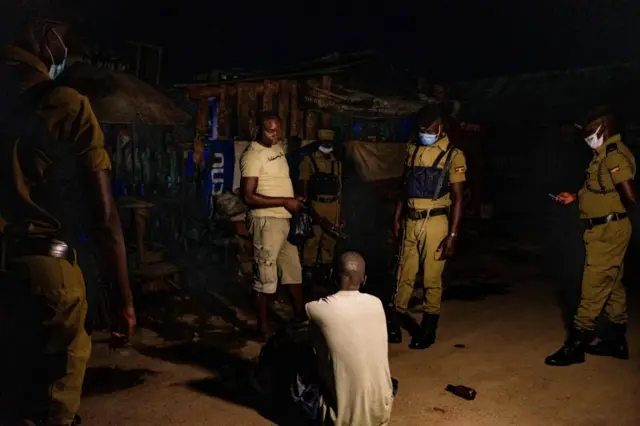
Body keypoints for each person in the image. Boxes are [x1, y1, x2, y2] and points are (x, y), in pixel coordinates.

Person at [0, 12, 135, 426]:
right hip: (44, 276)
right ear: (42, 32)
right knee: (49, 409)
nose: (69, 51)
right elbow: (104, 215)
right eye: (66, 38)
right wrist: (122, 298)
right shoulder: (66, 103)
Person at [545, 106, 636, 366]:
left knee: (592, 287)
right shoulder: (601, 155)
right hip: (605, 228)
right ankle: (616, 341)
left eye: (590, 128)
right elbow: (602, 188)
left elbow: (630, 196)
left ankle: (576, 346)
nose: (586, 134)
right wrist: (576, 197)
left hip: (608, 231)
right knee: (613, 286)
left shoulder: (613, 156)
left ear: (603, 127)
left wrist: (616, 220)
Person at [387, 103, 467, 349]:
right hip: (411, 220)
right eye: (421, 129)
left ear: (440, 127)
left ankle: (428, 329)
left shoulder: (454, 155)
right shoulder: (412, 149)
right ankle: (395, 323)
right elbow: (404, 186)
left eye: (429, 129)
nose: (425, 133)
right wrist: (397, 217)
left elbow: (458, 198)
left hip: (435, 223)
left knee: (431, 278)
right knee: (403, 275)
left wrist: (452, 234)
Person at [306, 252, 393, 426]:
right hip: (381, 412)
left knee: (301, 356)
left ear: (332, 275)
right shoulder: (376, 303)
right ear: (364, 279)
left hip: (344, 420)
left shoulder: (317, 308)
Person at [240, 111, 305, 339]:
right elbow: (248, 196)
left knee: (293, 271)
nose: (275, 134)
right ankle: (262, 329)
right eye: (269, 130)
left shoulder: (277, 148)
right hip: (266, 221)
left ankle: (299, 317)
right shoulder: (252, 155)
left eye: (278, 129)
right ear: (259, 129)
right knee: (265, 277)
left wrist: (293, 197)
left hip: (285, 219)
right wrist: (285, 201)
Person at [298, 129, 343, 284]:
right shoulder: (308, 161)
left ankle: (325, 276)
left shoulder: (336, 163)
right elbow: (304, 186)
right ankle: (308, 276)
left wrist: (341, 211)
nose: (327, 145)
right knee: (312, 240)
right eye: (324, 143)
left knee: (330, 241)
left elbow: (339, 188)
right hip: (315, 204)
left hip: (333, 205)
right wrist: (307, 208)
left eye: (329, 143)